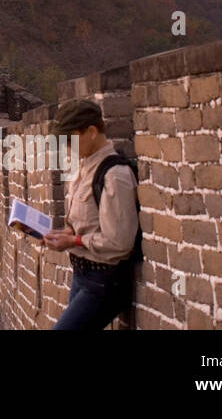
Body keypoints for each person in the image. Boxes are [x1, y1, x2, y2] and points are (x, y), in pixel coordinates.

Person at [42, 99, 141, 330]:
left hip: (104, 281)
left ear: (92, 132)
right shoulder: (86, 167)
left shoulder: (115, 174)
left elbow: (119, 242)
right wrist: (64, 234)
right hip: (82, 274)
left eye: (70, 139)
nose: (67, 147)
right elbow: (86, 222)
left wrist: (74, 241)